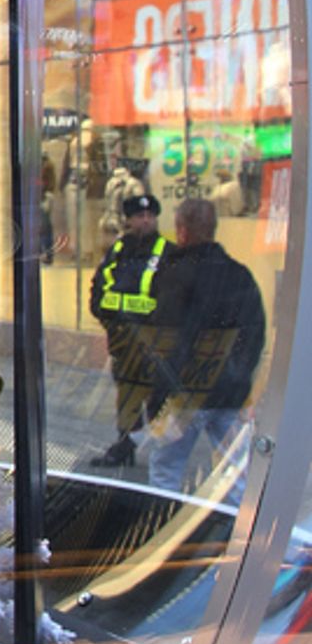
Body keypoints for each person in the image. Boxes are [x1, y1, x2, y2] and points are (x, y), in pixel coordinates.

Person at [145, 196, 266, 500]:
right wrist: (239, 380)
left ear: (182, 230)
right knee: (235, 475)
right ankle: (235, 536)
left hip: (183, 393)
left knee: (165, 472)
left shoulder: (175, 275)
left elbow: (166, 342)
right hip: (228, 394)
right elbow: (254, 336)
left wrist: (159, 395)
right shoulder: (239, 275)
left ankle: (161, 533)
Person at [88, 191, 170, 468]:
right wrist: (111, 324)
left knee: (159, 401)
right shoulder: (118, 250)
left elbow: (177, 298)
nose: (145, 221)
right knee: (127, 398)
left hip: (156, 344)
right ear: (129, 220)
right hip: (124, 343)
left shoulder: (167, 252)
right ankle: (125, 447)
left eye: (149, 216)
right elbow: (99, 289)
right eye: (139, 216)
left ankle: (164, 456)